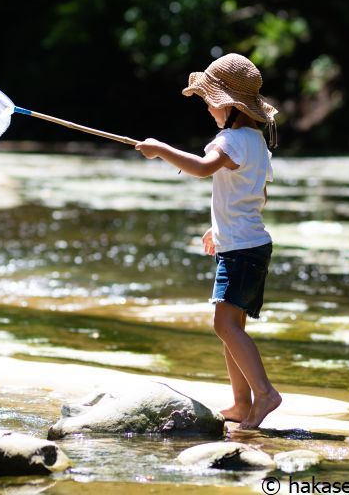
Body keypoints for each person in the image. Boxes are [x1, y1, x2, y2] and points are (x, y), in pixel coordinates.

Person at [135, 53, 282, 430]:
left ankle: (265, 394)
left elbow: (201, 169)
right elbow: (252, 196)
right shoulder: (256, 142)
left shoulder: (230, 140)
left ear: (228, 105)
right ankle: (240, 401)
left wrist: (160, 150)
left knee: (224, 326)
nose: (209, 111)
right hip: (250, 244)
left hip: (241, 251)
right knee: (233, 328)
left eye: (210, 103)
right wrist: (218, 229)